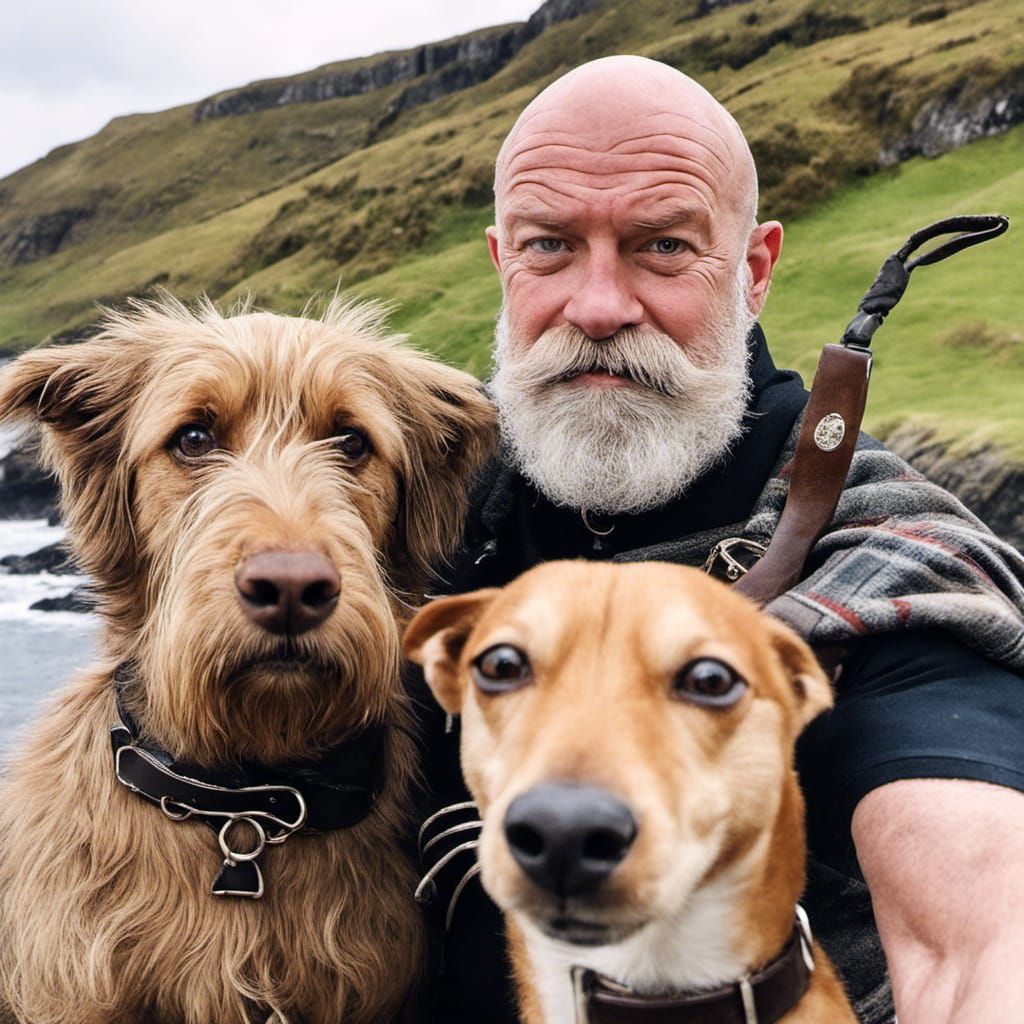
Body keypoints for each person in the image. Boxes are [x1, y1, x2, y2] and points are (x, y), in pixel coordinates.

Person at [410, 55, 1024, 1024]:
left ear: (755, 270)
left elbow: (976, 941)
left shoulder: (886, 544)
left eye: (661, 246)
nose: (598, 306)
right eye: (549, 246)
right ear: (501, 261)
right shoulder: (414, 512)